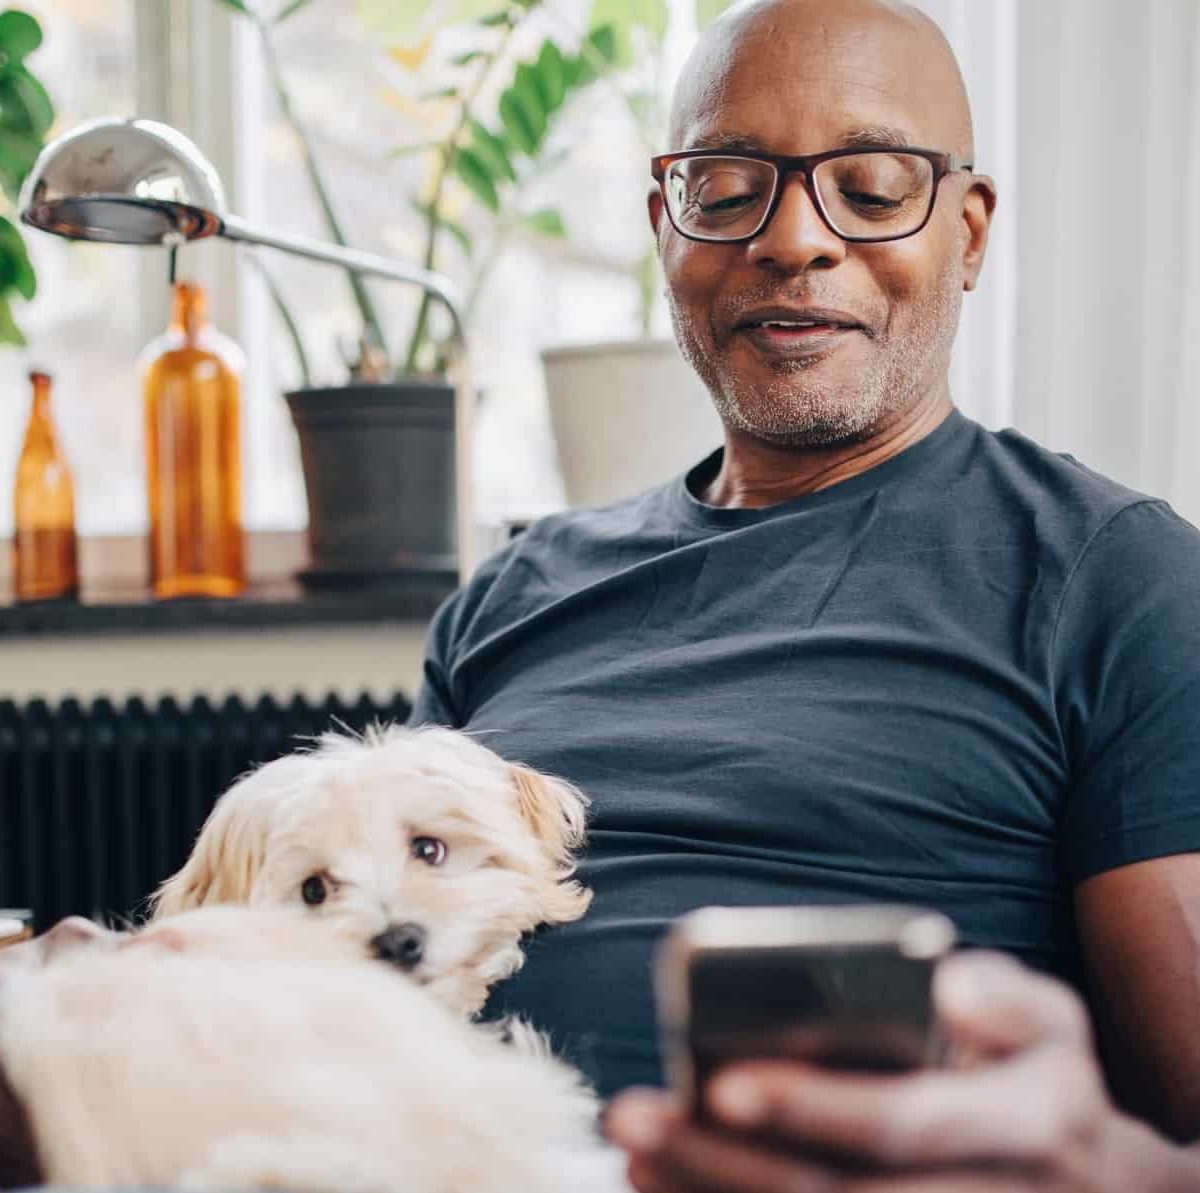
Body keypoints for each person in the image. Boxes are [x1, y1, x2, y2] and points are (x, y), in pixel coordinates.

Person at [407, 0, 1200, 1162]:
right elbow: (349, 952)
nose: (793, 240)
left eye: (873, 188)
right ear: (665, 228)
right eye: (727, 190)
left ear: (969, 235)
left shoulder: (1117, 578)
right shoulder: (510, 598)